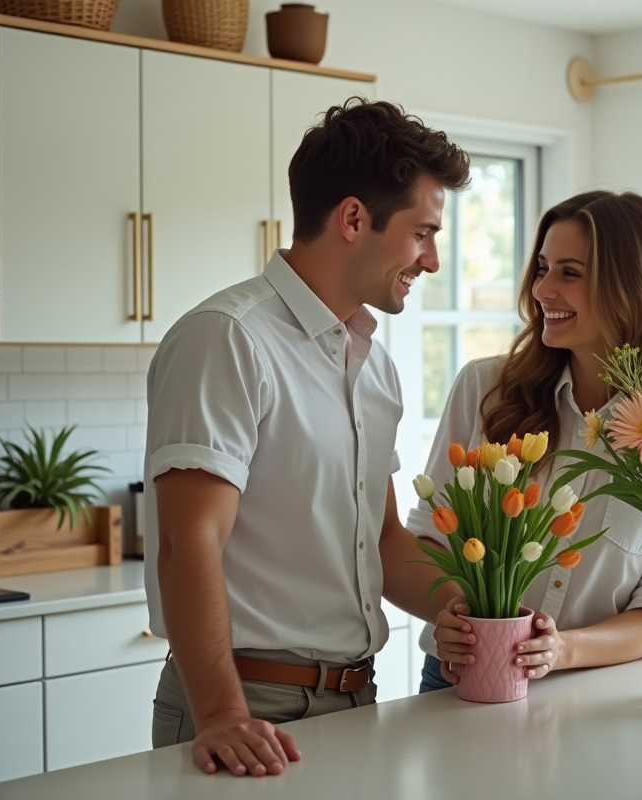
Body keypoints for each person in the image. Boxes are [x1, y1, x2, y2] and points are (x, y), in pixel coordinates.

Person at [143, 98, 470, 777]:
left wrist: (469, 610)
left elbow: (381, 542)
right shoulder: (229, 338)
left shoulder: (373, 366)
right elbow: (187, 541)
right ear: (354, 218)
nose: (431, 259)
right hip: (247, 707)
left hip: (359, 701)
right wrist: (222, 715)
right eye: (422, 233)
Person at [407, 190, 642, 692]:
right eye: (542, 268)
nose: (542, 289)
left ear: (631, 288)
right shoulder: (485, 390)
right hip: (463, 680)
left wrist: (559, 650)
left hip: (589, 690)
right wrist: (455, 614)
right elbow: (428, 538)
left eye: (570, 273)